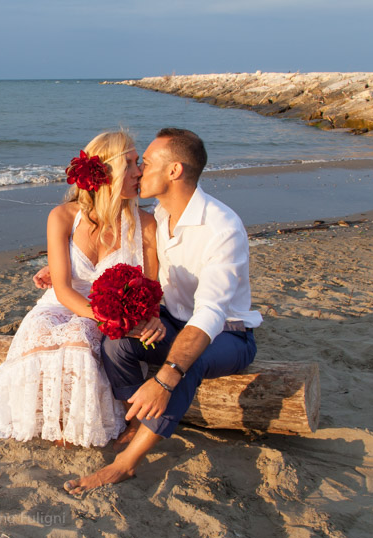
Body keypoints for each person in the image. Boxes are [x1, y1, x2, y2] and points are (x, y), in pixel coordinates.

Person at [37, 128, 262, 493]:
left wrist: (163, 379)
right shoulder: (158, 217)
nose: (139, 169)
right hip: (171, 321)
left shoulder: (222, 228)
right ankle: (133, 413)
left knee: (189, 361)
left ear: (173, 171)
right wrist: (64, 269)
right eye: (135, 163)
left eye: (146, 162)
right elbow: (125, 254)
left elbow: (209, 317)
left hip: (228, 334)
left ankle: (126, 463)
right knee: (117, 345)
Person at [0, 130, 165, 447]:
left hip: (117, 315)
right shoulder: (61, 217)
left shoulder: (146, 225)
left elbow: (153, 289)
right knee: (40, 328)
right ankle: (51, 418)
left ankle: (80, 425)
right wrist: (107, 319)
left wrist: (147, 317)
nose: (139, 171)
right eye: (129, 163)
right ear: (105, 172)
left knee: (79, 337)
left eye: (138, 162)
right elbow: (62, 288)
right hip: (64, 304)